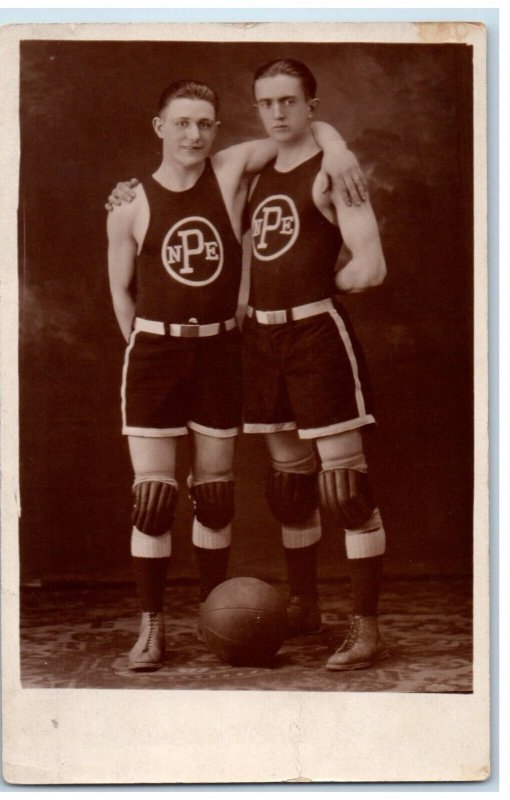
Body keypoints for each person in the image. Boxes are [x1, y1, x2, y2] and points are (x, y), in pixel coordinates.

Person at [106, 78, 365, 671]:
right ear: (159, 127)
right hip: (154, 355)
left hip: (221, 353)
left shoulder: (228, 172)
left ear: (216, 130)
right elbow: (120, 290)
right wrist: (147, 347)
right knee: (151, 499)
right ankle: (152, 627)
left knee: (215, 498)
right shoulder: (130, 204)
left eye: (205, 124)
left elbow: (295, 130)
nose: (194, 135)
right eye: (181, 123)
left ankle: (206, 612)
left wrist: (340, 145)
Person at [243, 59, 388, 670]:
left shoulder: (331, 174)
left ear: (311, 106)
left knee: (345, 485)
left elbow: (370, 264)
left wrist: (319, 290)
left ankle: (366, 626)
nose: (277, 113)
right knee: (290, 486)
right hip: (262, 341)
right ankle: (305, 604)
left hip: (315, 336)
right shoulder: (252, 171)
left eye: (289, 102)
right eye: (266, 102)